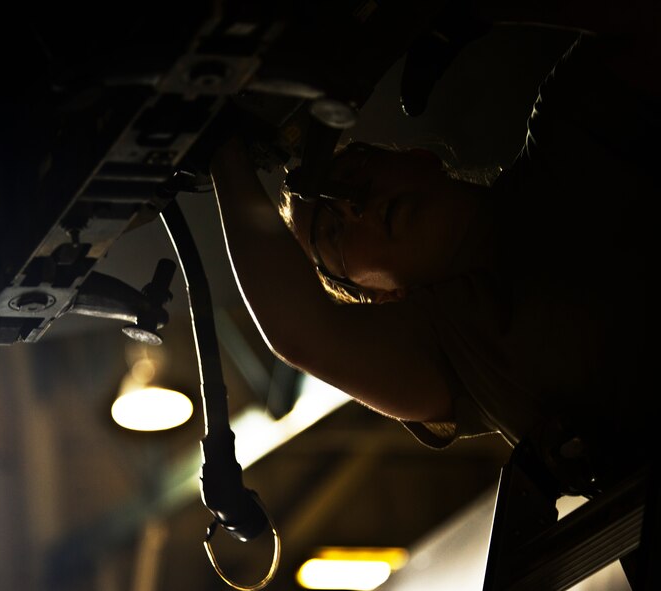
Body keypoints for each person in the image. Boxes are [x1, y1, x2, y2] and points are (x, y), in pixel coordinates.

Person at [208, 2, 658, 485]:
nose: (356, 204)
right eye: (333, 232)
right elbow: (306, 335)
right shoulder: (456, 351)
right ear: (380, 297)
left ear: (420, 158)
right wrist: (221, 146)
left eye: (354, 172)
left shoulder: (568, 131)